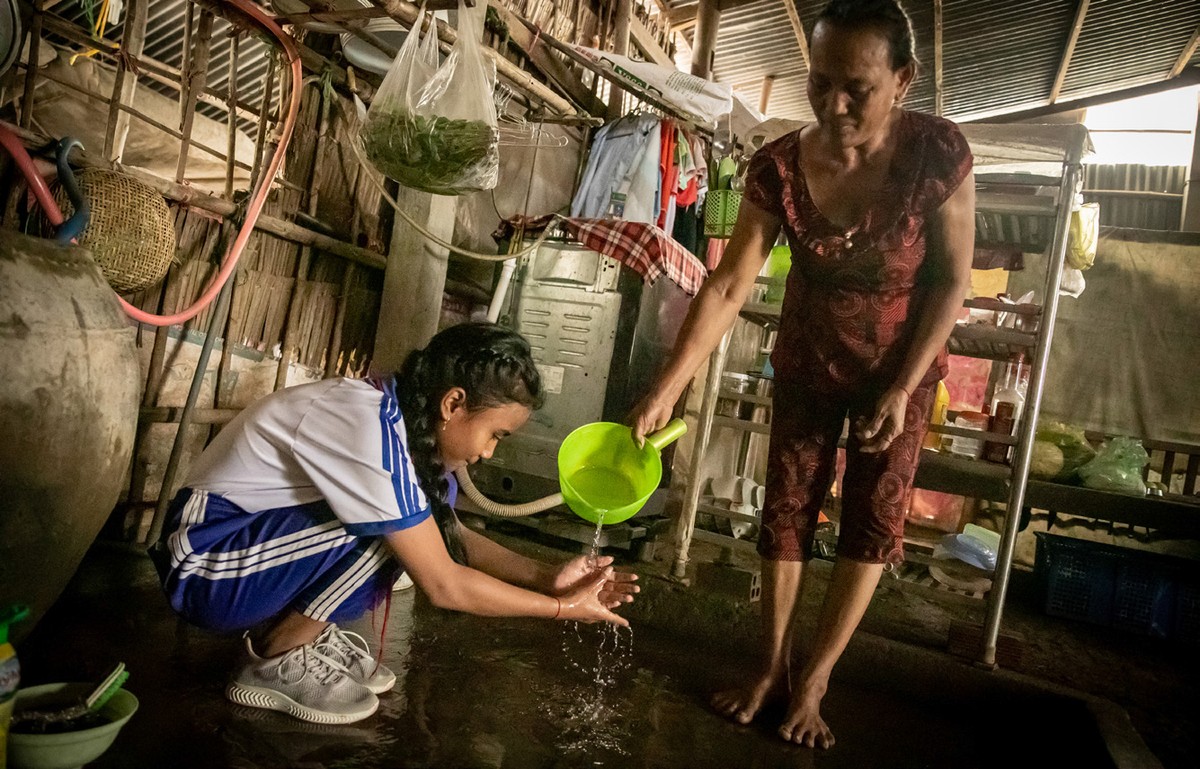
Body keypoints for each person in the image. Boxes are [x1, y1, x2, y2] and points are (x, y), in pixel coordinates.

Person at [629, 0, 974, 749]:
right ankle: (770, 668)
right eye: (821, 83)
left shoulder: (938, 153)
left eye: (858, 88)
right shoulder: (778, 166)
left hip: (899, 372)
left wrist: (903, 386)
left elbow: (952, 280)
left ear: (903, 79)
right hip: (808, 362)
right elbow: (728, 285)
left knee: (872, 518)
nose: (834, 104)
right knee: (785, 511)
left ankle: (815, 680)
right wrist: (666, 389)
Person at [151, 322, 639, 725]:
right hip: (203, 564)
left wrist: (546, 576)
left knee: (412, 522)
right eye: (496, 434)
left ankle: (302, 632)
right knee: (393, 529)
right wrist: (561, 609)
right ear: (453, 404)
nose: (490, 452)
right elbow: (444, 583)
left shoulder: (394, 419)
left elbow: (449, 536)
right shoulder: (368, 429)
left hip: (243, 547)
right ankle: (277, 654)